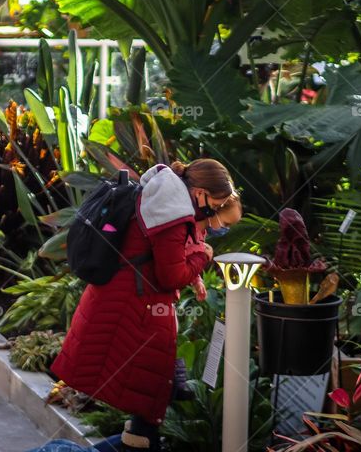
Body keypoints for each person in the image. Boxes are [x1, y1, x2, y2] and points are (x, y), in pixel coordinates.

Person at [48, 159, 238, 451]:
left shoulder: (167, 199)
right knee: (149, 399)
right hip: (135, 309)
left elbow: (164, 255)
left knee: (148, 400)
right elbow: (170, 274)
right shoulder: (172, 215)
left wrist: (194, 260)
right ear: (200, 193)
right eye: (217, 202)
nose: (215, 211)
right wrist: (204, 256)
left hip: (129, 301)